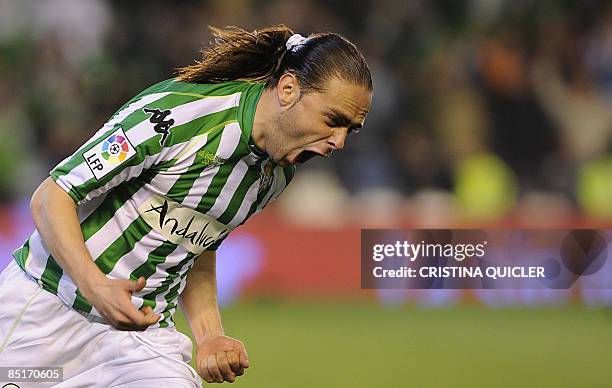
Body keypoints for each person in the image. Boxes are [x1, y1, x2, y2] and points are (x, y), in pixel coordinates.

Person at [0, 25, 372, 386]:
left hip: (140, 337)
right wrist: (96, 286)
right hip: (45, 313)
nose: (338, 142)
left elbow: (197, 241)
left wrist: (210, 335)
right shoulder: (177, 116)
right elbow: (52, 195)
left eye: (350, 130)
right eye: (333, 120)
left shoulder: (276, 174)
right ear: (289, 88)